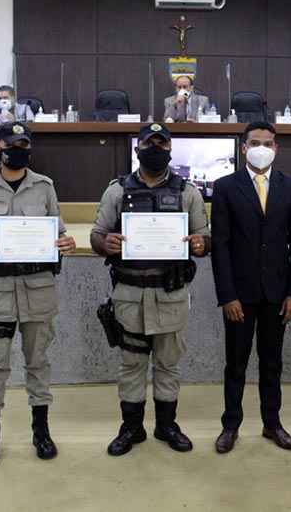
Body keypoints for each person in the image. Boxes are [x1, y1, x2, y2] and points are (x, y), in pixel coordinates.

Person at [90, 122, 211, 456]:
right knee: (131, 364)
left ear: (170, 149)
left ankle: (166, 425)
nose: (155, 148)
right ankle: (131, 427)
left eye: (161, 143)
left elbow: (205, 237)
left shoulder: (188, 192)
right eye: (149, 143)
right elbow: (97, 235)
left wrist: (201, 244)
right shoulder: (117, 191)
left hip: (170, 293)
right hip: (129, 295)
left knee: (169, 363)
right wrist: (105, 243)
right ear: (138, 149)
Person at [0, 121, 77, 466]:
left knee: (38, 362)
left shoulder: (44, 187)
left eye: (24, 144)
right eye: (12, 144)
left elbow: (58, 231)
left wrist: (66, 242)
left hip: (37, 288)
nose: (19, 149)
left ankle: (41, 432)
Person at [211, 121, 291, 453]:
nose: (261, 148)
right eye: (255, 143)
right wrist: (228, 295)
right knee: (235, 363)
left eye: (268, 143)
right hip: (240, 294)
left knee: (272, 363)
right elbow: (221, 247)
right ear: (244, 148)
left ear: (276, 148)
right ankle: (230, 426)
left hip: (277, 294)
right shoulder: (225, 187)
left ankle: (272, 423)